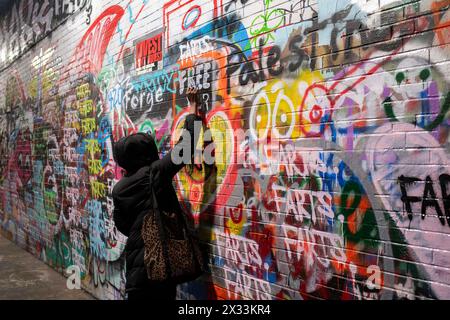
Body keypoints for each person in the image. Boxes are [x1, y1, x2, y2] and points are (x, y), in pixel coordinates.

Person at [112, 94, 202, 300]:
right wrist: (193, 109)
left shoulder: (119, 189)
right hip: (159, 267)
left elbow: (122, 225)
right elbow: (185, 148)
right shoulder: (154, 173)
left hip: (136, 272)